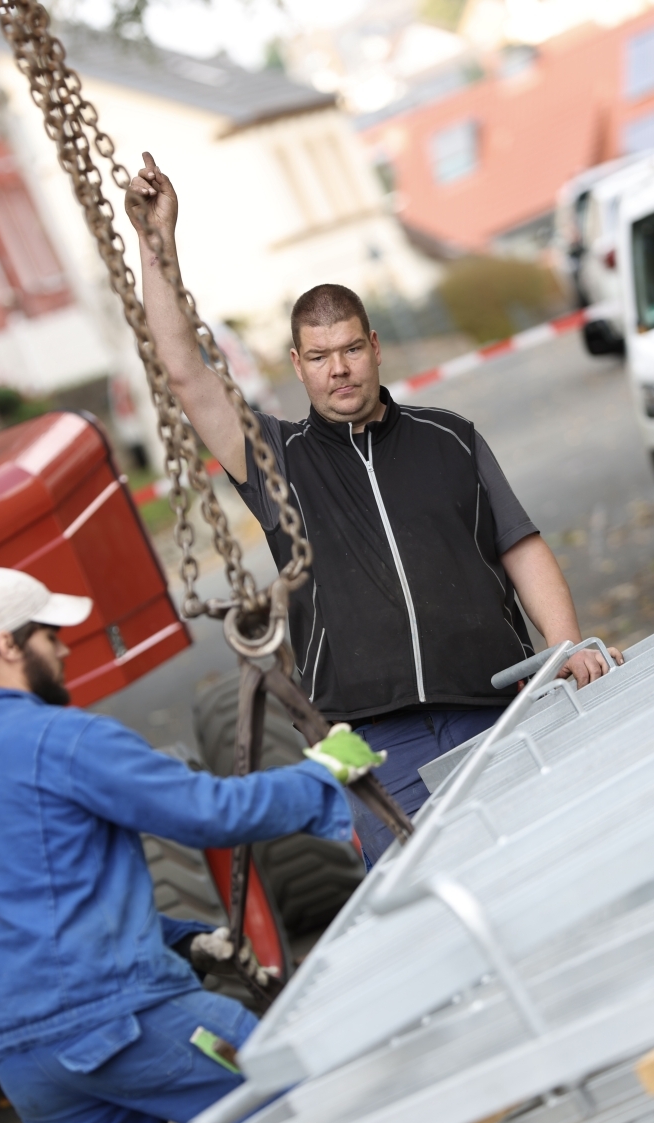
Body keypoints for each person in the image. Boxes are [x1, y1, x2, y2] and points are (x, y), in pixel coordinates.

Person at [126, 153, 622, 867]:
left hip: (498, 704)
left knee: (545, 870)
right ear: (297, 365)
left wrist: (568, 646)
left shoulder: (451, 437)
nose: (340, 369)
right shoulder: (276, 459)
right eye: (321, 355)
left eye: (352, 348)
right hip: (372, 741)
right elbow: (182, 371)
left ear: (375, 348)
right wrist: (155, 243)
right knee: (426, 913)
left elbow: (520, 546)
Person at [0, 568, 377, 1123]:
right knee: (305, 1098)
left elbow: (25, 900)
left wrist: (179, 939)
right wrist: (321, 775)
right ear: (8, 645)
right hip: (118, 1025)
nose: (66, 649)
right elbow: (205, 812)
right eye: (51, 634)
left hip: (26, 1059)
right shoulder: (64, 738)